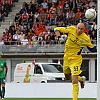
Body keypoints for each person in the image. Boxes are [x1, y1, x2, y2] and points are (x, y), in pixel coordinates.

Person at [54, 23, 97, 100]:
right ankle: (81, 79)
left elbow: (92, 49)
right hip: (66, 57)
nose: (79, 30)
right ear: (76, 27)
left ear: (84, 30)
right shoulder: (71, 29)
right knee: (67, 77)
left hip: (76, 60)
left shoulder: (85, 38)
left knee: (74, 81)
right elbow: (57, 29)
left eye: (81, 29)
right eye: (78, 28)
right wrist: (59, 36)